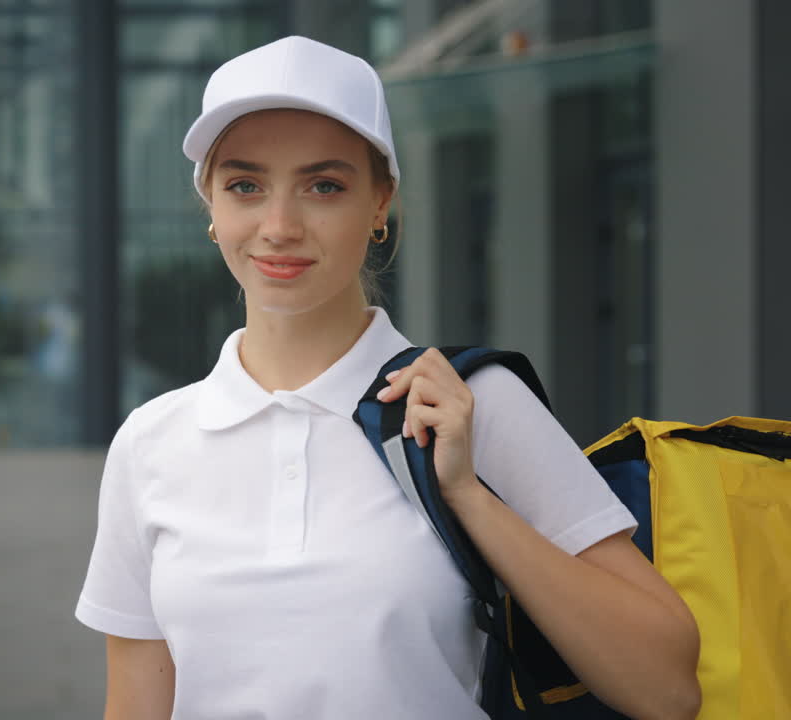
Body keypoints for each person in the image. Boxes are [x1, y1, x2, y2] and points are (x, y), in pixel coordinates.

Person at [75, 36, 700, 720]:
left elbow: (667, 688)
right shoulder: (152, 443)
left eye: (324, 186)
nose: (279, 226)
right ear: (211, 206)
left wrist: (467, 496)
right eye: (246, 185)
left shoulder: (472, 404)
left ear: (381, 203)